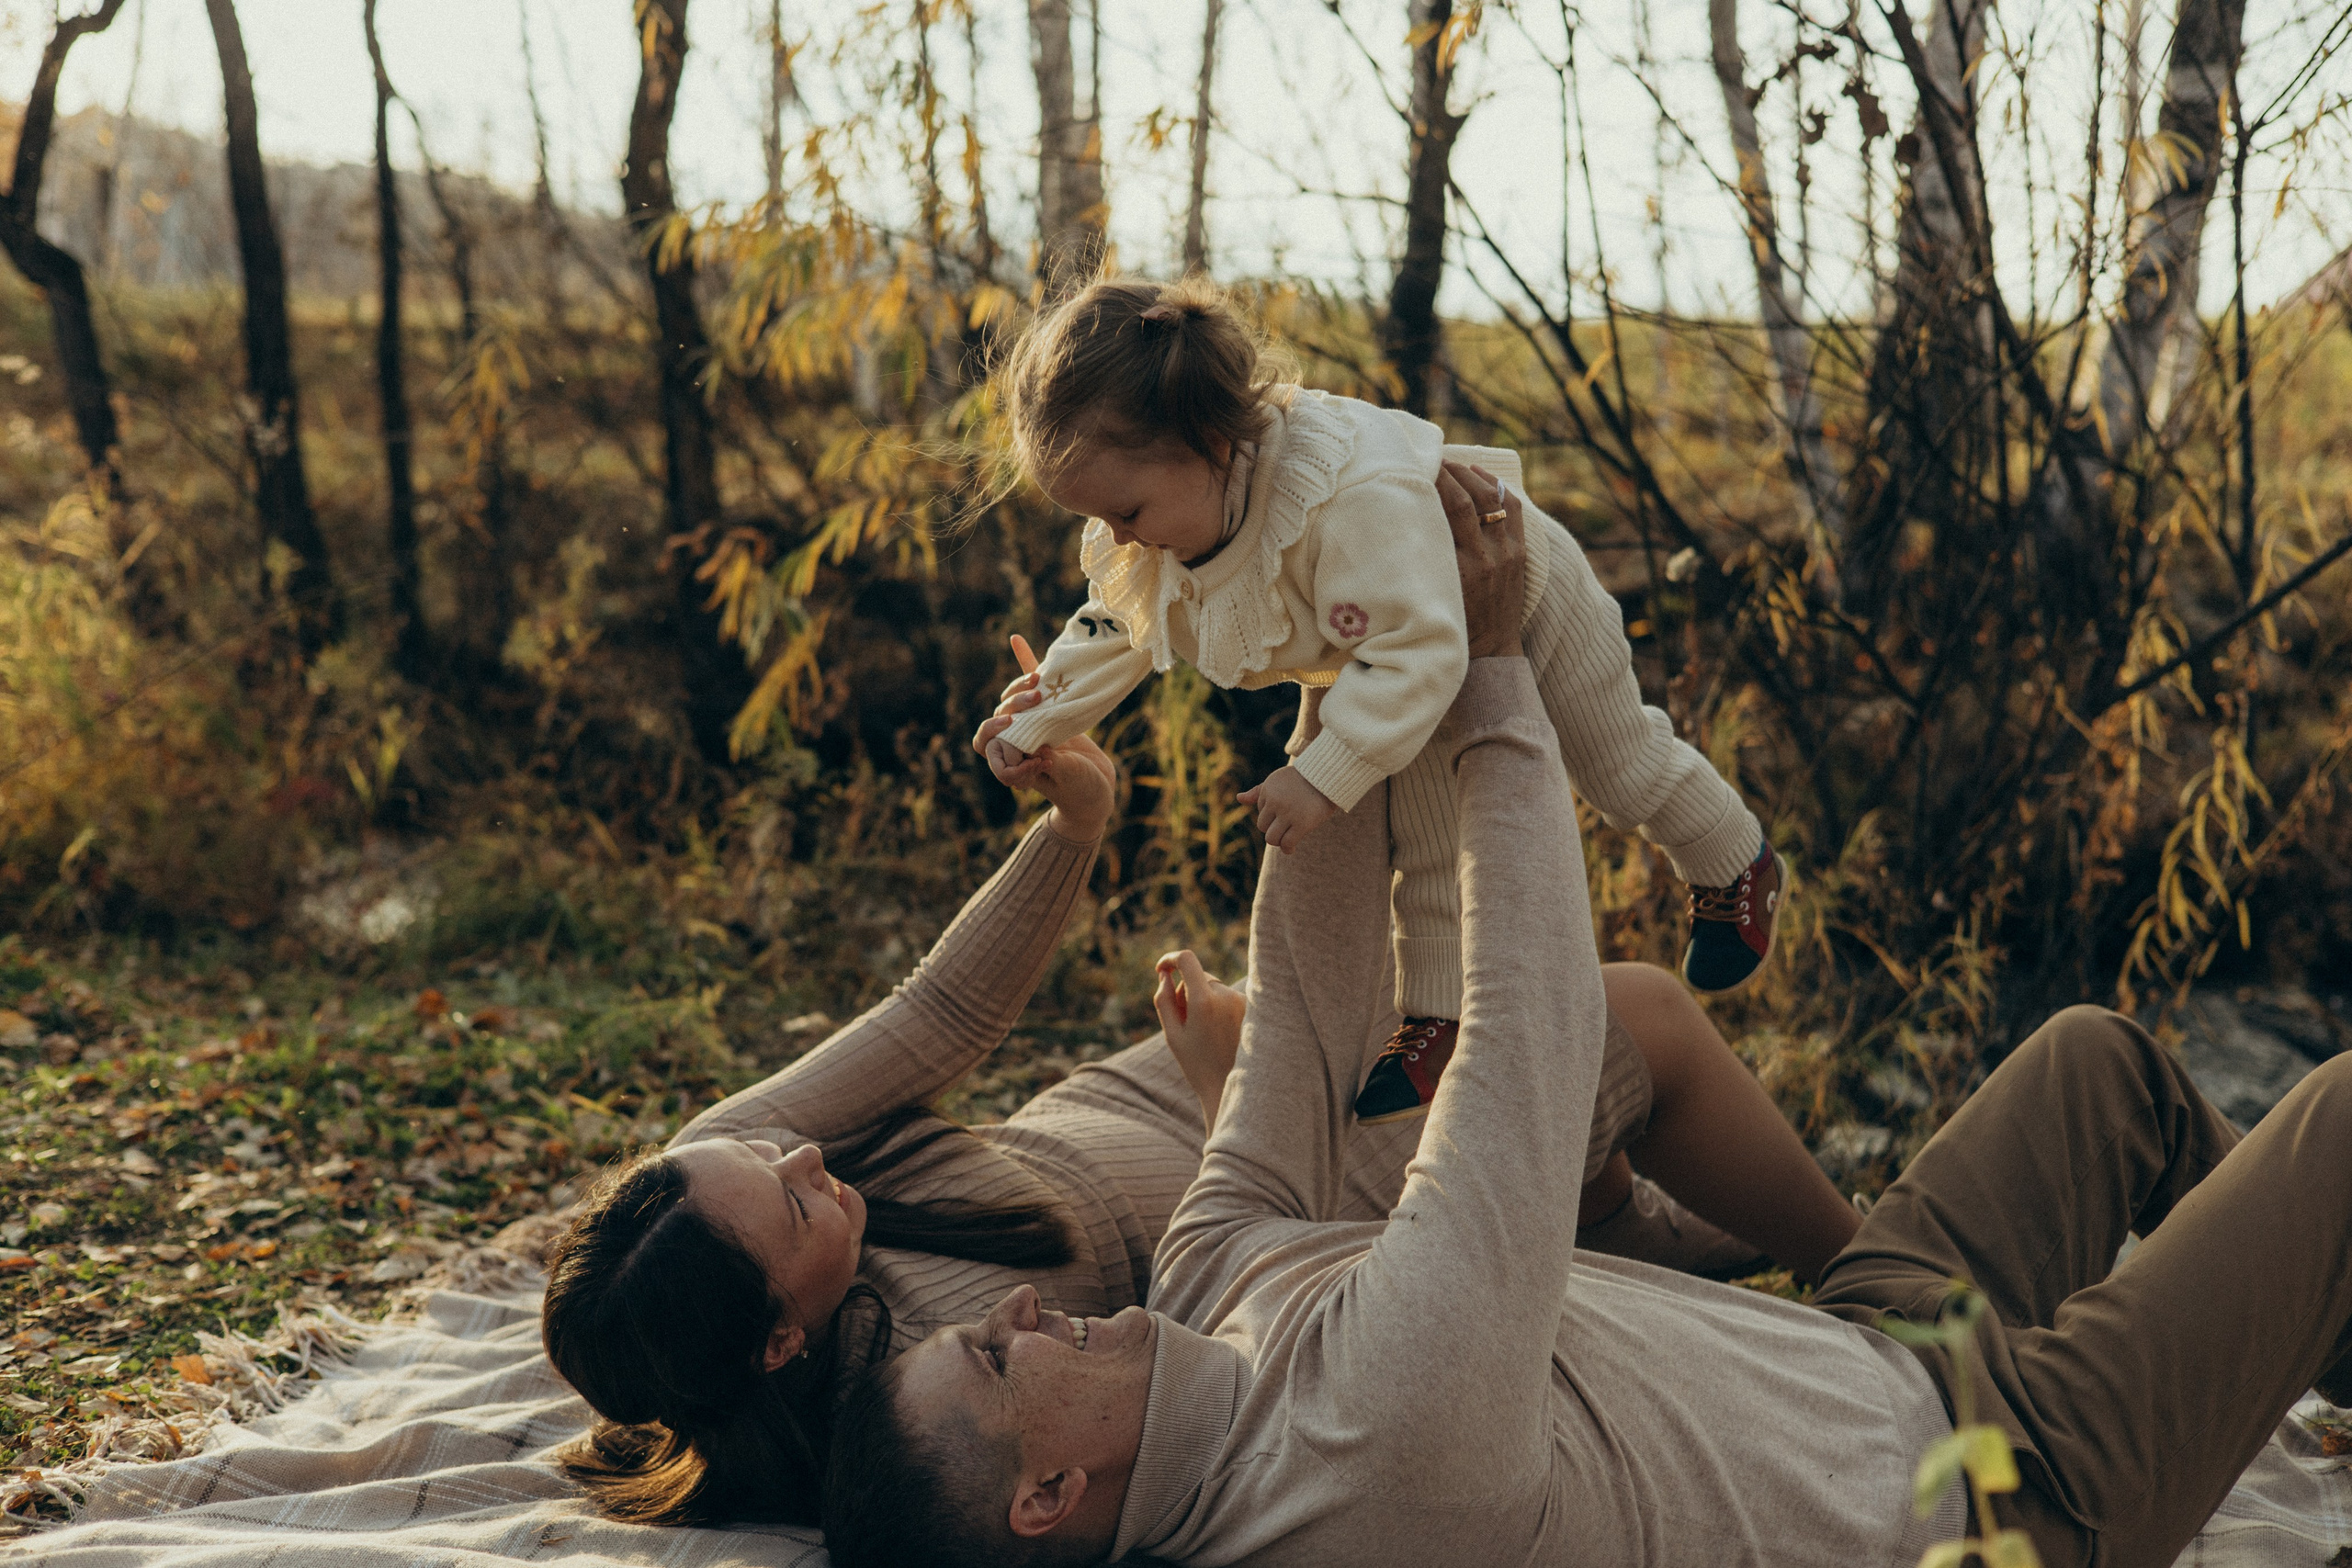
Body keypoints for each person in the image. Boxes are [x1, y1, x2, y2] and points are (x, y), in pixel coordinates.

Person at [824, 475, 2352, 1568]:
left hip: (1870, 1348)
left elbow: (1300, 1012)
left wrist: (1332, 655)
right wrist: (1491, 682)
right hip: (2005, 1488)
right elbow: (1525, 1043)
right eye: (997, 1365)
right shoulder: (1359, 1451)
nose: (1017, 1314)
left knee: (2100, 1066)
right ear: (1048, 1494)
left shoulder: (1215, 1290)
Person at [538, 466, 1858, 1531]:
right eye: (785, 1196)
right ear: (780, 1343)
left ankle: (1709, 1243)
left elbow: (937, 1018)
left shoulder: (708, 1185)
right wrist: (1242, 1084)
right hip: (1286, 1191)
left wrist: (1073, 825)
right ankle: (1876, 1275)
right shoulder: (939, 1414)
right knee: (1637, 1018)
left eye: (767, 1150)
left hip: (1147, 1094)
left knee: (1547, 1116)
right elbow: (1233, 1395)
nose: (802, 1151)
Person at [980, 275, 1781, 1125]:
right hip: (1387, 647)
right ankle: (1438, 1016)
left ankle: (1734, 859)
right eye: (1102, 521)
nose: (1120, 538)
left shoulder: (1347, 495)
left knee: (1619, 762)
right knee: (1425, 831)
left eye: (1126, 511)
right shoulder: (1167, 510)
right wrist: (1040, 717)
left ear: (1211, 441)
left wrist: (1322, 773)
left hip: (1508, 588)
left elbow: (1417, 647)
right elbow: (1118, 619)